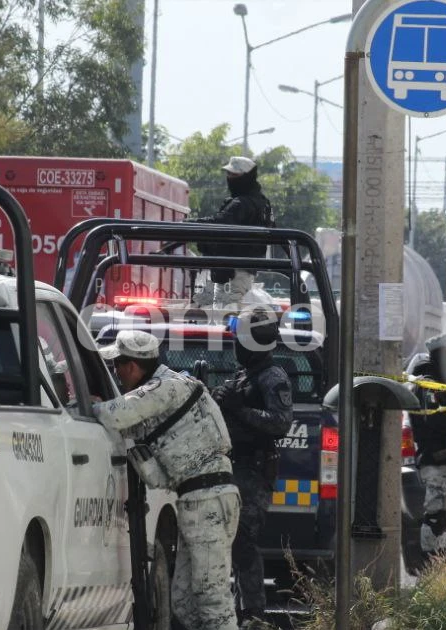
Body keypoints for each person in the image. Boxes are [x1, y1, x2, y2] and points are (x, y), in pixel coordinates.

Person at [92, 330, 241, 630]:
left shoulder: (164, 389)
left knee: (213, 600)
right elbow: (157, 472)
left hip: (206, 500)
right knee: (184, 602)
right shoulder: (175, 386)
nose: (116, 375)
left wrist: (92, 404)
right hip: (199, 499)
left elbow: (114, 416)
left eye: (117, 366)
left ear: (131, 366)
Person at [211, 308, 293, 626]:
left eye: (238, 341)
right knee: (231, 540)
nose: (235, 346)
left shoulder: (273, 377)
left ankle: (254, 611)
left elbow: (280, 423)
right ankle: (239, 610)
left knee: (243, 540)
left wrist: (240, 409)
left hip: (253, 470)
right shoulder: (246, 374)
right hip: (234, 467)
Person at [189, 157, 274, 308]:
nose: (229, 179)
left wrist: (189, 225)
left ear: (247, 177)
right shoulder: (262, 203)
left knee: (225, 319)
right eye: (228, 175)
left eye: (234, 176)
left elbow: (218, 224)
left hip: (232, 274)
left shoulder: (241, 204)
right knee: (217, 313)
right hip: (236, 273)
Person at [408, 333, 446, 557]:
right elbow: (435, 420)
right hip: (435, 459)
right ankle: (429, 561)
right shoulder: (429, 384)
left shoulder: (445, 383)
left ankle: (442, 563)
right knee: (435, 515)